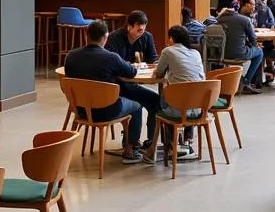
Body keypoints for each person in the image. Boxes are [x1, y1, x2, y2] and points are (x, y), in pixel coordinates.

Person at [64, 20, 154, 164]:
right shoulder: (111, 57)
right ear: (106, 37)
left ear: (87, 35)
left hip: (81, 109)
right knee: (137, 105)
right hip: (107, 110)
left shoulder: (71, 56)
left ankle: (131, 146)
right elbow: (132, 72)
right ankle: (130, 150)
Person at [153, 24, 206, 160]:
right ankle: (187, 141)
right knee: (188, 94)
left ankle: (171, 145)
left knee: (165, 101)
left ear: (172, 38)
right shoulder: (196, 53)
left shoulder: (168, 51)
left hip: (178, 109)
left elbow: (159, 73)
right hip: (200, 108)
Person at [217, 0, 264, 94]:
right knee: (259, 52)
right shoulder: (245, 20)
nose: (254, 7)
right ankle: (246, 82)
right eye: (252, 4)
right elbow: (253, 39)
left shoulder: (219, 19)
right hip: (239, 53)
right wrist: (255, 45)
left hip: (222, 54)